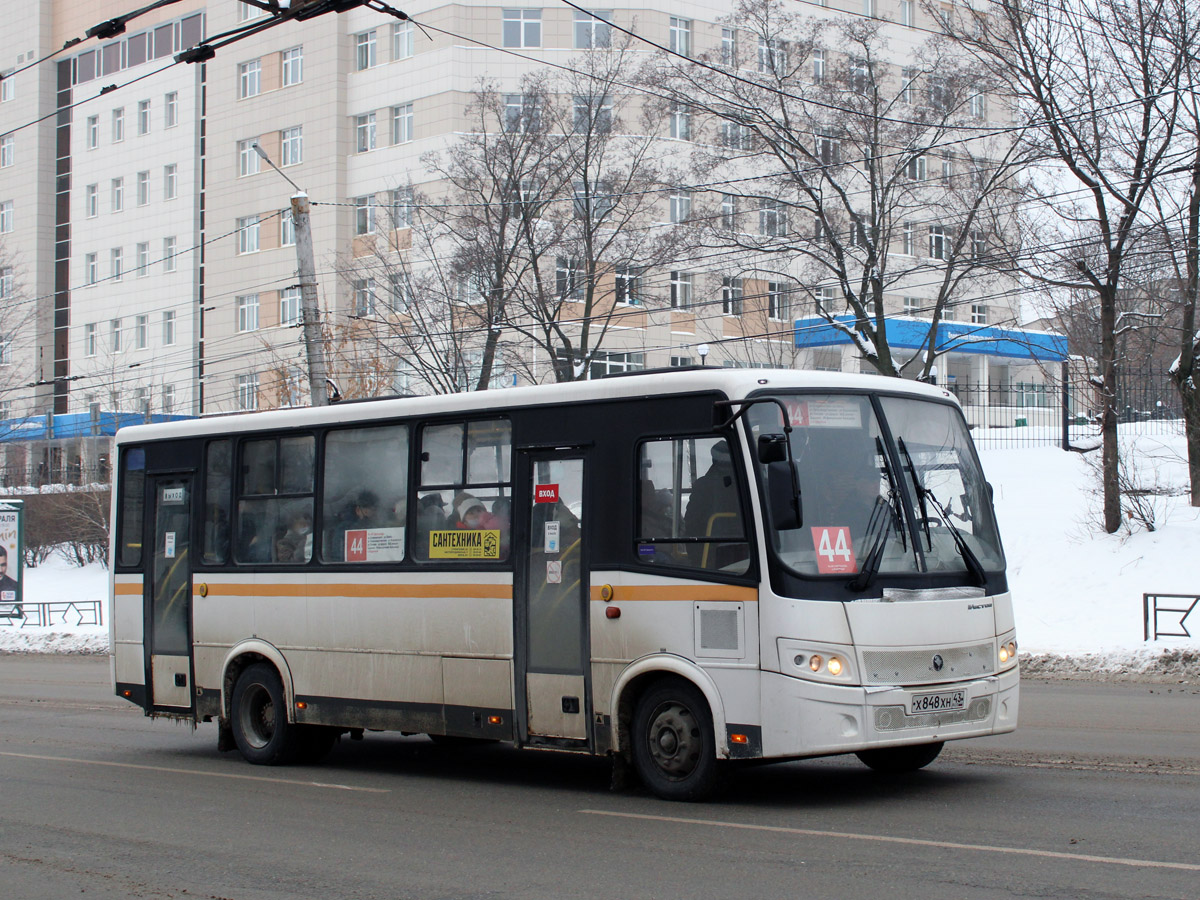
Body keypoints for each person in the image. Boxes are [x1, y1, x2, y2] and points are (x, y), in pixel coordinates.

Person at [683, 442, 745, 567]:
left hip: (710, 555)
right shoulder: (750, 484)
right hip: (749, 550)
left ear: (713, 460)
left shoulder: (702, 485)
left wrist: (695, 558)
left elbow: (691, 523)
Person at [327, 489, 379, 561]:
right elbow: (338, 557)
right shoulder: (343, 530)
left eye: (375, 510)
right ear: (358, 510)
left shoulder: (378, 528)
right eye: (368, 510)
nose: (373, 514)